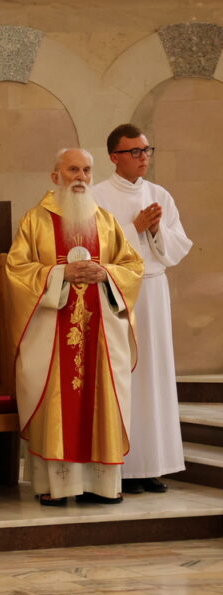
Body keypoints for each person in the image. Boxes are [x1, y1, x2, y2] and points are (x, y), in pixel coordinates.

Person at [5, 148, 143, 506]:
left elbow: (132, 266)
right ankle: (57, 486)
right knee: (57, 403)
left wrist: (106, 273)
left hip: (101, 333)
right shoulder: (35, 220)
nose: (80, 177)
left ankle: (102, 486)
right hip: (52, 331)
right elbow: (16, 271)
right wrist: (59, 274)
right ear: (56, 176)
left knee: (101, 400)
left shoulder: (106, 220)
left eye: (86, 170)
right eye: (72, 170)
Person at [93, 124, 193, 495]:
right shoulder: (97, 196)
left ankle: (152, 465)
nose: (143, 158)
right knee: (125, 375)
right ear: (113, 157)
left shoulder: (159, 194)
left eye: (147, 150)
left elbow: (177, 247)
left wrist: (154, 232)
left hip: (153, 290)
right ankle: (122, 465)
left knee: (154, 376)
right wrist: (134, 228)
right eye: (134, 151)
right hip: (117, 294)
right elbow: (92, 247)